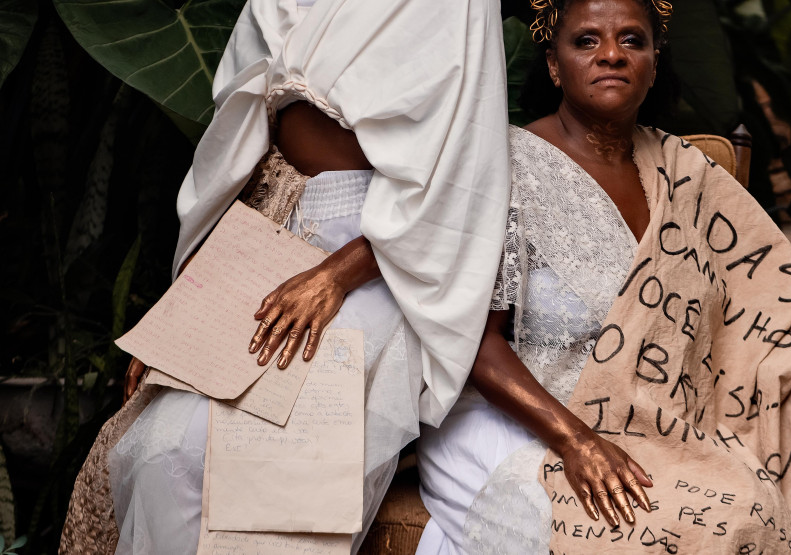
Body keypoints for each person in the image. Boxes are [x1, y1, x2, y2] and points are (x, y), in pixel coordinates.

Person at [60, 0, 510, 552]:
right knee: (157, 451)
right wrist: (185, 309)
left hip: (385, 254)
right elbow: (244, 152)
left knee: (270, 470)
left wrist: (336, 276)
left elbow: (461, 178)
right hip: (274, 221)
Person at [416, 0, 791, 553]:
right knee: (652, 530)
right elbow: (475, 343)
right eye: (586, 41)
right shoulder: (508, 168)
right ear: (554, 64)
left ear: (654, 62)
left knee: (753, 508)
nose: (611, 55)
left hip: (661, 423)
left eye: (632, 40)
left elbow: (766, 288)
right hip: (523, 419)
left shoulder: (687, 175)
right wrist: (578, 442)